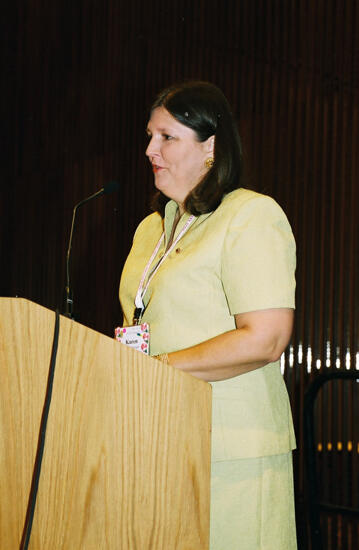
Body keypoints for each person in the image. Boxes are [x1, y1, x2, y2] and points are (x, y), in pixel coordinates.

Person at [119, 81, 297, 549]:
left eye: (167, 137)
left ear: (211, 146)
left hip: (231, 451)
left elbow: (267, 337)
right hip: (156, 439)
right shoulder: (150, 229)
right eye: (150, 136)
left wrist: (158, 370)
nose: (149, 149)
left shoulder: (250, 215)